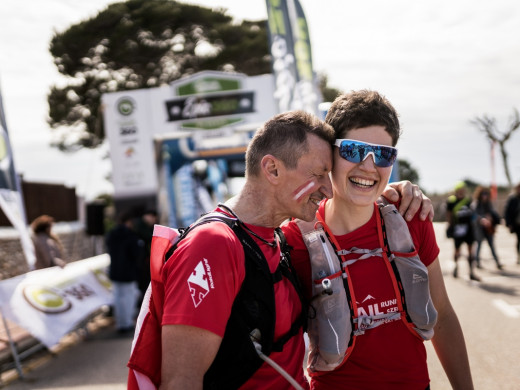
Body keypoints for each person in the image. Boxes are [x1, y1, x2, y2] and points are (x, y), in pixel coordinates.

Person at [127, 110, 434, 390]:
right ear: (272, 169)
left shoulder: (276, 239)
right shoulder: (214, 245)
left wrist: (392, 190)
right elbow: (181, 381)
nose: (328, 188)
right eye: (317, 174)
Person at [282, 91, 474, 390]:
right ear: (330, 154)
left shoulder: (411, 219)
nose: (369, 167)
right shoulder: (293, 240)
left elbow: (443, 316)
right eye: (355, 151)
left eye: (383, 154)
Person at [106, 210, 144, 334]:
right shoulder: (131, 235)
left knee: (118, 298)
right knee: (128, 298)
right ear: (129, 221)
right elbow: (136, 254)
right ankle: (127, 323)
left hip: (115, 271)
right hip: (128, 272)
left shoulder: (111, 234)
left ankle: (120, 323)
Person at [446, 181, 480, 281]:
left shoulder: (468, 200)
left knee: (470, 250)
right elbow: (449, 215)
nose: (461, 192)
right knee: (457, 250)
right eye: (459, 190)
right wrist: (450, 226)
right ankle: (456, 267)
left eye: (463, 190)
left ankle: (471, 272)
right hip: (458, 229)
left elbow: (472, 213)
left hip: (468, 228)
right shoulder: (451, 201)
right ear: (456, 191)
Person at [472, 186, 503, 270]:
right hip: (480, 228)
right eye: (483, 194)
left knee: (492, 245)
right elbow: (473, 215)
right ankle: (477, 262)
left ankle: (497, 262)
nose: (485, 196)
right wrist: (482, 219)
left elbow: (493, 213)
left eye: (486, 194)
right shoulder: (476, 203)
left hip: (488, 227)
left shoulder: (488, 203)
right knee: (479, 245)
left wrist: (491, 218)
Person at [504, 182, 520, 264]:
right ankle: (518, 256)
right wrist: (508, 224)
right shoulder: (512, 199)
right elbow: (507, 212)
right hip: (517, 224)